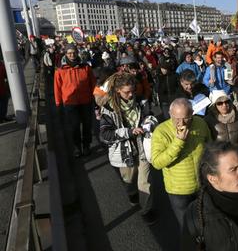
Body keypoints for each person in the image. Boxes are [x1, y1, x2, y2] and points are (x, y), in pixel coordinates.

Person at [99, 73, 158, 224]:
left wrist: (149, 123)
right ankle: (131, 193)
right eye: (127, 92)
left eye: (133, 90)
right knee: (129, 179)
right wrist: (128, 132)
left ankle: (147, 210)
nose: (131, 95)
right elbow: (105, 135)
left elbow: (149, 115)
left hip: (142, 146)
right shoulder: (108, 109)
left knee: (145, 181)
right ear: (118, 90)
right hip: (124, 151)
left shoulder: (140, 101)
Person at [151, 98, 211, 229]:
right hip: (179, 191)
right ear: (170, 113)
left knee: (206, 224)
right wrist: (178, 141)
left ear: (192, 113)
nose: (181, 123)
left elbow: (210, 147)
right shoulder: (161, 131)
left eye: (186, 118)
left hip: (202, 185)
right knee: (187, 228)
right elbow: (157, 162)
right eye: (176, 119)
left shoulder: (200, 123)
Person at [54, 44, 97, 157]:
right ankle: (77, 147)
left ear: (77, 53)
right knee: (74, 126)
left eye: (74, 53)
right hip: (70, 103)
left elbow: (93, 84)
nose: (72, 55)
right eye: (69, 53)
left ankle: (86, 145)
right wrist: (58, 104)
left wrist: (97, 98)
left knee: (87, 125)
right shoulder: (60, 70)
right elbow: (57, 89)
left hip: (85, 101)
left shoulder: (86, 67)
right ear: (66, 54)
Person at [0, 56, 9, 123]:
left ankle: (3, 117)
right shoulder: (2, 66)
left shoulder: (2, 65)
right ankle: (2, 117)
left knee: (4, 102)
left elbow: (6, 75)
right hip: (2, 88)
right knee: (3, 103)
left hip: (3, 88)